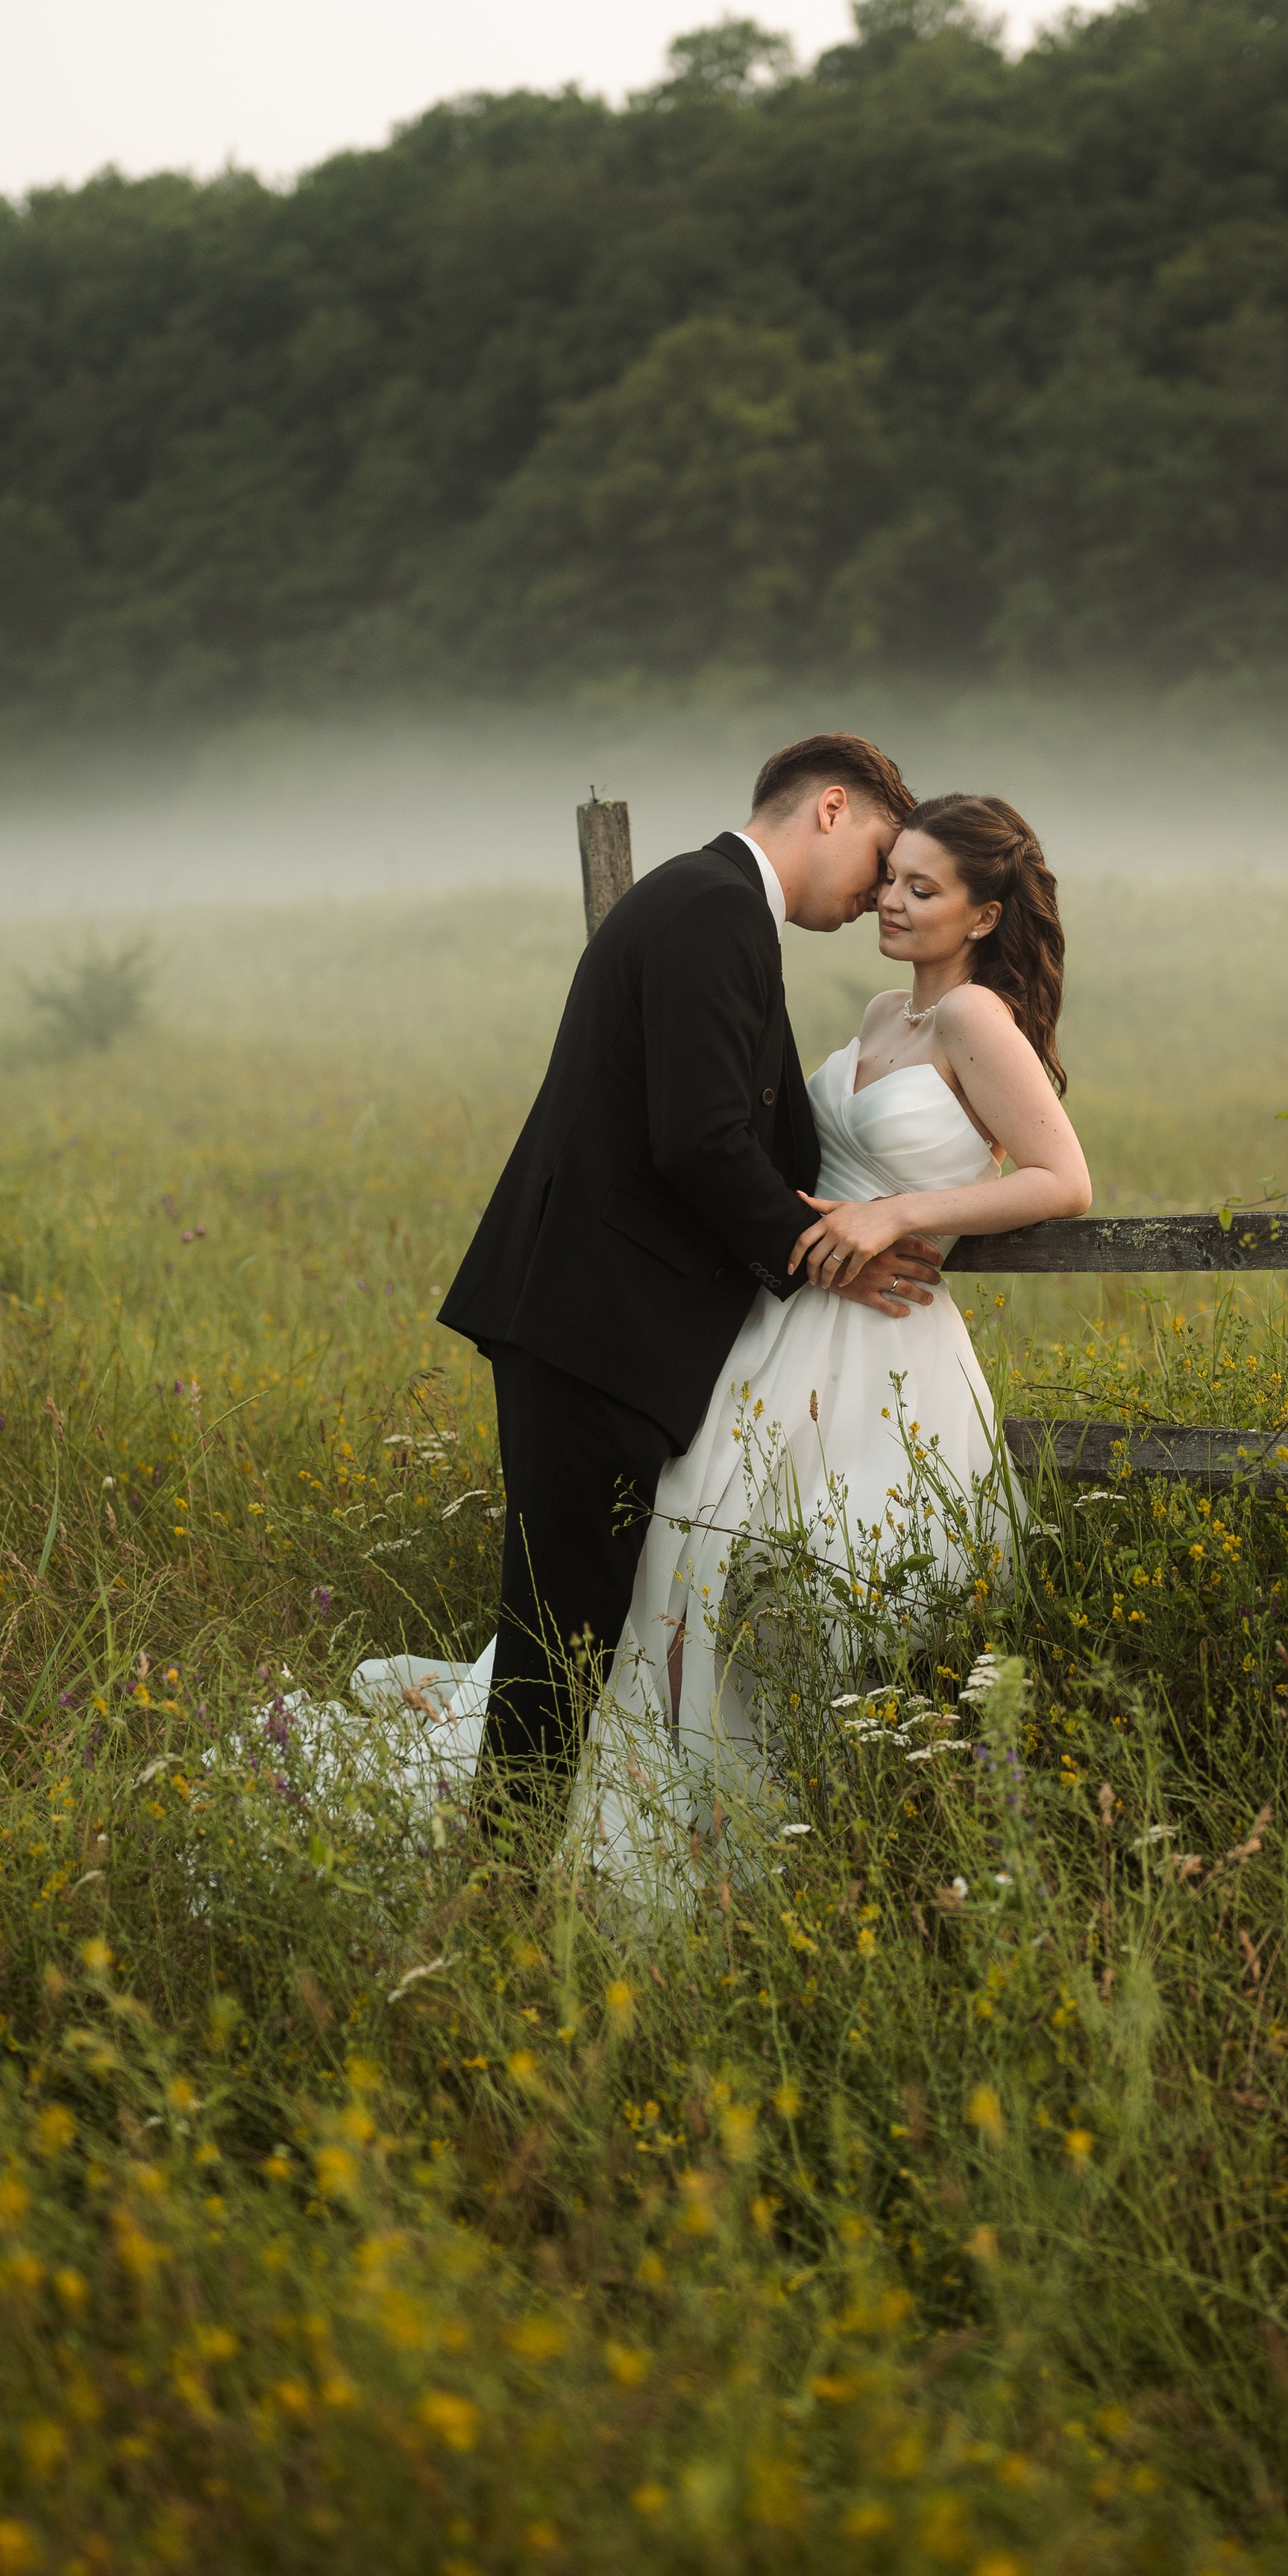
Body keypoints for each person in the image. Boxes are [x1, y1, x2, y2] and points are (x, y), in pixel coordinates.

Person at [579, 793, 1090, 1891]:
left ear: (986, 915)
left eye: (924, 889)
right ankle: (690, 1809)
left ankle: (821, 1820)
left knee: (818, 1582)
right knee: (693, 1552)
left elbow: (1064, 1179)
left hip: (885, 1344)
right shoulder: (876, 1015)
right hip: (784, 1327)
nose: (890, 904)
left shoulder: (974, 1023)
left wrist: (901, 1216)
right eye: (891, 876)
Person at [434, 734, 941, 1812]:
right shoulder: (715, 910)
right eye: (884, 858)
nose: (879, 895)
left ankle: (510, 1876)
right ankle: (501, 1889)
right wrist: (827, 1257)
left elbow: (730, 1136)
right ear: (833, 809)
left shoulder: (706, 901)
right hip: (596, 1329)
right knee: (557, 1648)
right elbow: (701, 1142)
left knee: (569, 1641)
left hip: (591, 1322)